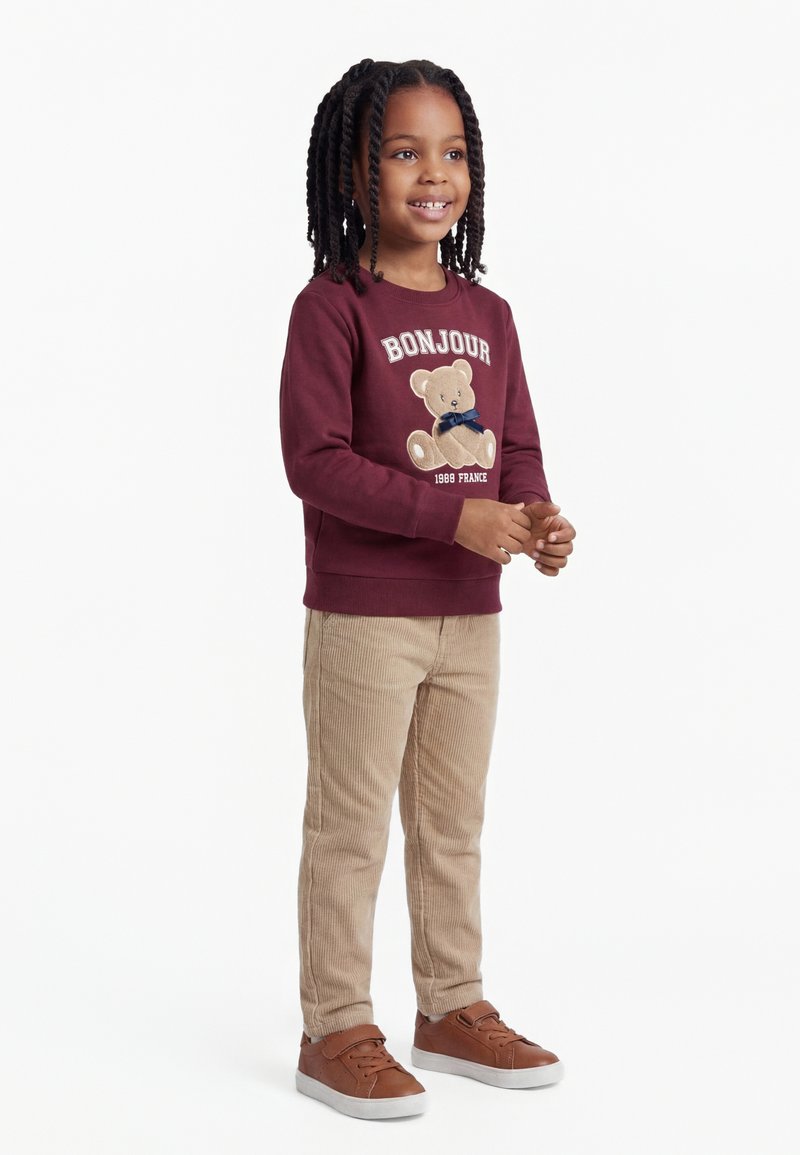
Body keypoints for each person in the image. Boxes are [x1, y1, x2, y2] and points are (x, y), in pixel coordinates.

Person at [278, 57, 576, 1121]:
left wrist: (533, 517)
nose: (433, 173)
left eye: (451, 153)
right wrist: (454, 517)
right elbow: (314, 463)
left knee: (452, 826)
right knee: (350, 829)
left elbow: (515, 444)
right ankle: (334, 1027)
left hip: (471, 613)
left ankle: (450, 1005)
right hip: (364, 614)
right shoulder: (331, 307)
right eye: (403, 152)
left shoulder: (488, 314)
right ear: (353, 173)